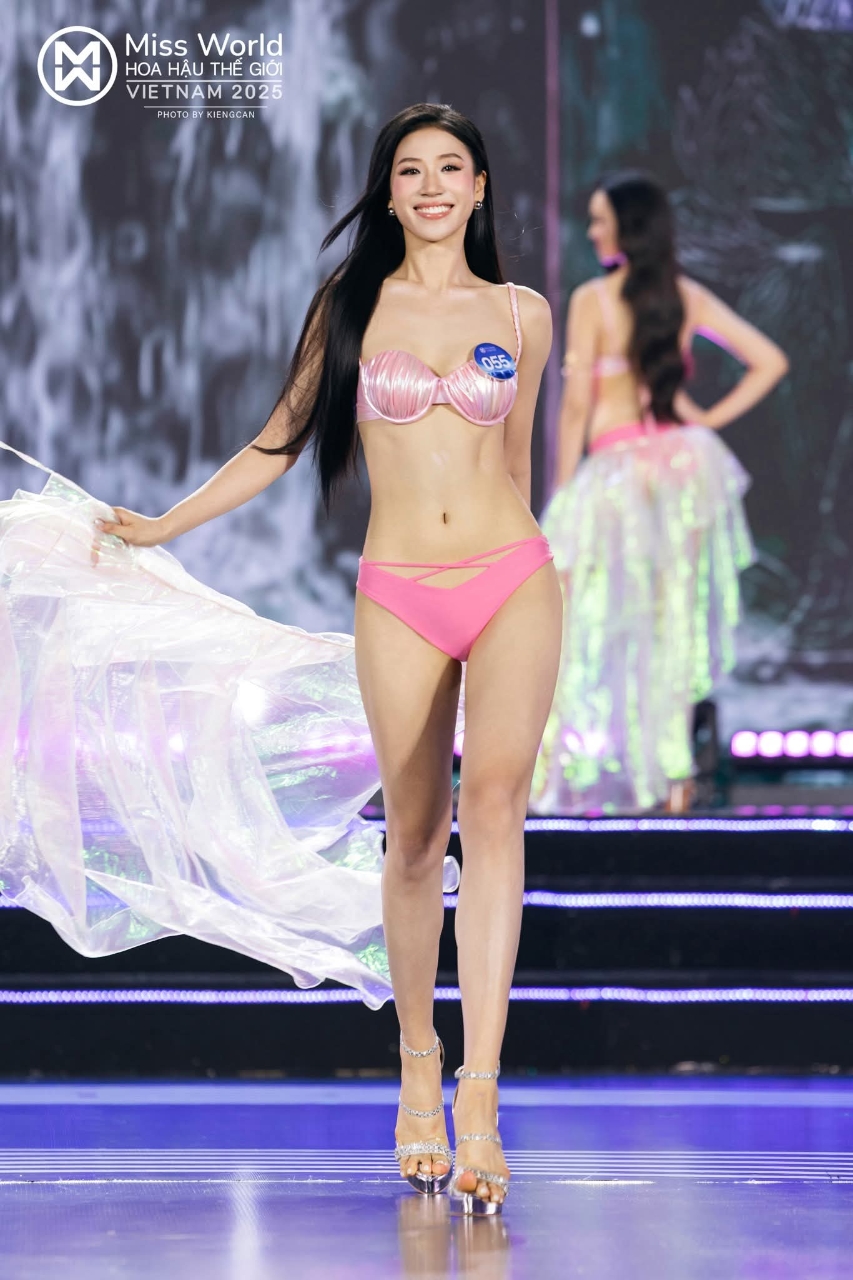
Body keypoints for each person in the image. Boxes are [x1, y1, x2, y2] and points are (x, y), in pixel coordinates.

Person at [0, 104, 560, 1214]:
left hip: (511, 577)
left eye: (451, 168)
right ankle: (416, 1065)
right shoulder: (350, 305)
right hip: (398, 590)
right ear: (388, 192)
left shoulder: (522, 314)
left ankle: (482, 1096)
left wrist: (540, 577)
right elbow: (278, 439)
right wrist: (161, 526)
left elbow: (517, 462)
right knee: (416, 837)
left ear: (480, 187)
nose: (432, 186)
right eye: (411, 170)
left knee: (497, 809)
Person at [530, 171, 788, 817]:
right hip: (681, 471)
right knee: (670, 623)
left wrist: (560, 493)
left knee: (584, 623)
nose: (592, 231)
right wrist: (704, 422)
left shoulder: (592, 299)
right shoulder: (684, 295)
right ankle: (671, 781)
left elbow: (576, 407)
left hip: (617, 476)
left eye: (600, 220)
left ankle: (572, 773)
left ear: (628, 227)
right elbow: (769, 360)